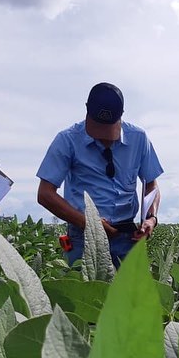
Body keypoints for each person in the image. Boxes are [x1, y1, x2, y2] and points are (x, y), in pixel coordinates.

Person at [36, 82, 163, 267]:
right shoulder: (67, 140)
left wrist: (151, 218)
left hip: (128, 237)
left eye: (108, 129)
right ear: (87, 112)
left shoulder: (139, 138)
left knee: (130, 296)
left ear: (121, 117)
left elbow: (151, 184)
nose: (102, 137)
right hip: (83, 238)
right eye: (97, 129)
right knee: (85, 294)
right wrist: (88, 223)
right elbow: (45, 194)